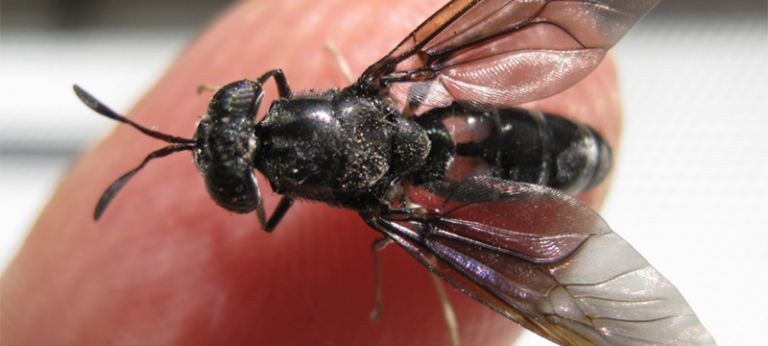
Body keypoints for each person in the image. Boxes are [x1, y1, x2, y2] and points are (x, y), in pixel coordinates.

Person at [0, 0, 621, 344]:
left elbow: (272, 226)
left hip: (451, 177)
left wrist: (400, 242)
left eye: (230, 108)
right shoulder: (382, 84)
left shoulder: (385, 213)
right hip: (487, 126)